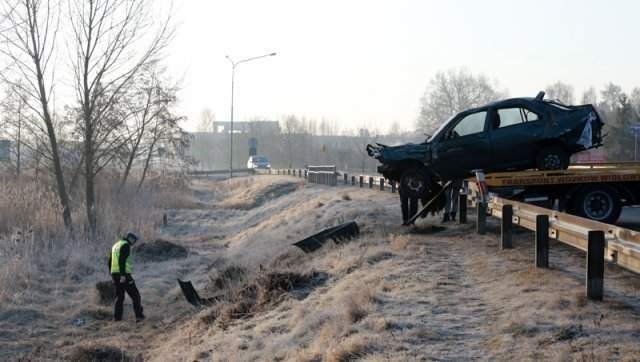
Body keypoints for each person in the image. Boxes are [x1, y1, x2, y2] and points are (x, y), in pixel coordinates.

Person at [108, 232, 145, 322]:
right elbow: (121, 260)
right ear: (131, 239)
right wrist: (123, 275)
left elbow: (109, 262)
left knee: (120, 297)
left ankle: (117, 318)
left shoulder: (116, 245)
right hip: (124, 275)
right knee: (135, 295)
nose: (133, 243)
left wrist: (112, 274)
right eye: (134, 241)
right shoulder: (125, 245)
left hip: (115, 274)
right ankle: (139, 317)